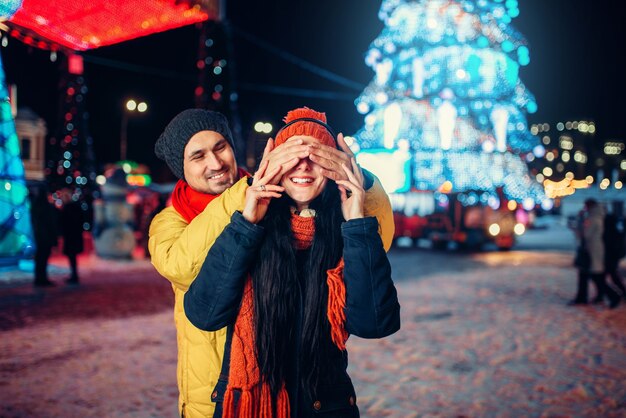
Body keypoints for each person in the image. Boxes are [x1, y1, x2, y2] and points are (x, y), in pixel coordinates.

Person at [149, 108, 394, 418]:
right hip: (219, 396)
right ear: (180, 168)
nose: (215, 163)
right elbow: (184, 271)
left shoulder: (282, 210)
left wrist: (360, 180)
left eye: (221, 147)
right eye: (198, 156)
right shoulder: (172, 220)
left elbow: (375, 246)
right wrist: (249, 197)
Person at [570, 199, 620, 308]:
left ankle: (613, 296)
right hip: (594, 251)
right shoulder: (598, 216)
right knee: (594, 276)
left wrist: (579, 221)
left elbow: (584, 234)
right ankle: (599, 297)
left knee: (596, 276)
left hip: (592, 251)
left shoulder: (592, 218)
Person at [30, 184, 59, 287]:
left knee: (40, 259)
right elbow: (51, 224)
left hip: (39, 237)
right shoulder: (46, 207)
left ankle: (39, 278)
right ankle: (42, 278)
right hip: (45, 237)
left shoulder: (35, 206)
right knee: (43, 258)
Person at [58, 187, 85, 284]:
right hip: (72, 236)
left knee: (72, 256)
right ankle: (74, 274)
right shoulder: (73, 207)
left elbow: (67, 223)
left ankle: (74, 275)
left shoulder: (69, 208)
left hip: (71, 237)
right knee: (72, 257)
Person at [603, 212, 626, 299]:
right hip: (613, 259)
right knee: (613, 277)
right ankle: (621, 293)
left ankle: (614, 296)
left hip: (610, 259)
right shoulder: (616, 231)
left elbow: (609, 247)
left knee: (603, 278)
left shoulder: (609, 232)